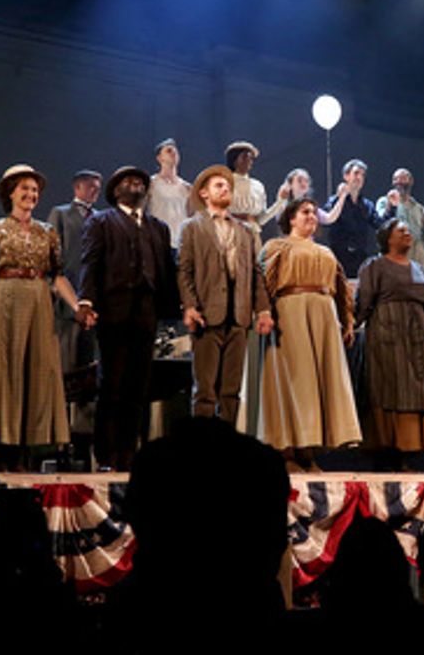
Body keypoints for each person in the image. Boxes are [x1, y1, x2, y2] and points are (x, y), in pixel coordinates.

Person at [0, 165, 78, 465]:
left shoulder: (48, 231)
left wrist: (78, 308)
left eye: (35, 190)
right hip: (7, 295)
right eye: (25, 188)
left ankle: (35, 444)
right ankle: (2, 443)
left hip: (39, 296)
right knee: (2, 364)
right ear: (10, 192)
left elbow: (58, 277)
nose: (31, 194)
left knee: (40, 365)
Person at [76, 165, 179, 469]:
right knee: (113, 383)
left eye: (140, 182)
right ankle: (106, 453)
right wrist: (86, 300)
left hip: (146, 312)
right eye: (128, 181)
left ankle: (128, 452)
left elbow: (166, 271)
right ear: (115, 190)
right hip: (113, 310)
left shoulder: (157, 227)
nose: (135, 185)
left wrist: (174, 308)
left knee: (138, 385)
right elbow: (90, 262)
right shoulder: (101, 222)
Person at [258, 197, 361, 464]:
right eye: (305, 212)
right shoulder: (276, 246)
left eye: (314, 213)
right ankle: (289, 449)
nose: (312, 217)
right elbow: (263, 284)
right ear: (291, 218)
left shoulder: (326, 252)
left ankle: (310, 450)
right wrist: (263, 313)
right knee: (296, 380)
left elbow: (342, 291)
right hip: (291, 313)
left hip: (323, 318)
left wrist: (347, 321)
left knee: (320, 382)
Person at [177, 165, 274, 423]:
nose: (225, 189)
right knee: (205, 390)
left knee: (231, 391)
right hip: (207, 315)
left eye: (228, 186)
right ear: (204, 193)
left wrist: (262, 310)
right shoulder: (192, 227)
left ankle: (227, 450)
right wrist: (189, 306)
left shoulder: (244, 231)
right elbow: (184, 271)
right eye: (219, 185)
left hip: (238, 316)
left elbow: (255, 274)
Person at [356, 219, 424, 455]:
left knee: (419, 385)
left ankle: (413, 446)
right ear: (388, 238)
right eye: (401, 231)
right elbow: (364, 301)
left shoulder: (417, 267)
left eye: (408, 231)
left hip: (416, 336)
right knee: (388, 385)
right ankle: (387, 447)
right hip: (387, 332)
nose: (408, 234)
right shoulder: (375, 265)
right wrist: (351, 325)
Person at [47, 170, 102, 459]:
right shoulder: (61, 213)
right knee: (67, 372)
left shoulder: (102, 218)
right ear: (77, 186)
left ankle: (84, 438)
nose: (94, 191)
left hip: (94, 306)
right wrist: (69, 301)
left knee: (90, 374)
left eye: (97, 187)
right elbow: (53, 259)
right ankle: (60, 439)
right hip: (67, 306)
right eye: (89, 186)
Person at [321, 158, 389, 278]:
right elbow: (326, 220)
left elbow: (380, 225)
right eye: (356, 173)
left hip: (360, 259)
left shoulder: (367, 205)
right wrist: (340, 197)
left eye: (362, 175)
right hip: (339, 258)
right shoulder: (334, 200)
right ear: (346, 176)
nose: (359, 177)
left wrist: (391, 208)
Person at [375, 167, 424, 273]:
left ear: (411, 181)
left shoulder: (419, 208)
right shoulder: (384, 201)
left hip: (416, 258)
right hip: (394, 257)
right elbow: (381, 224)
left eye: (403, 178)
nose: (399, 182)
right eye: (396, 179)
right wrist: (390, 206)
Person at [225, 142, 282, 232]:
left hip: (253, 236)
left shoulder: (258, 186)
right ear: (234, 160)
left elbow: (261, 219)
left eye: (251, 158)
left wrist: (280, 202)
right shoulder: (224, 184)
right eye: (244, 157)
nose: (249, 160)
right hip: (230, 234)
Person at [147, 139, 191, 247]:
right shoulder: (151, 183)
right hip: (159, 241)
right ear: (159, 158)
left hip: (181, 243)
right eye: (169, 151)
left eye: (175, 151)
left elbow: (190, 215)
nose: (174, 153)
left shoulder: (186, 187)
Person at [281, 167, 349, 226]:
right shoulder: (284, 205)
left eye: (306, 181)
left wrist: (342, 196)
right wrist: (281, 198)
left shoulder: (311, 207)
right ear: (290, 184)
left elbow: (329, 218)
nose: (303, 183)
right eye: (299, 180)